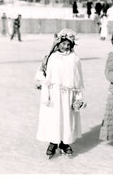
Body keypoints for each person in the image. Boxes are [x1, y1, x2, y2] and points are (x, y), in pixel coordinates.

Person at [35, 29, 86, 158]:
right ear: (58, 43)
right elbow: (43, 69)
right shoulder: (52, 57)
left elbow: (78, 79)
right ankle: (53, 142)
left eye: (69, 44)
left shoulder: (75, 59)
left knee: (66, 118)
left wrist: (78, 97)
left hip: (68, 94)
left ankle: (64, 142)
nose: (66, 47)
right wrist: (41, 82)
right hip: (53, 94)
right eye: (63, 44)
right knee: (54, 118)